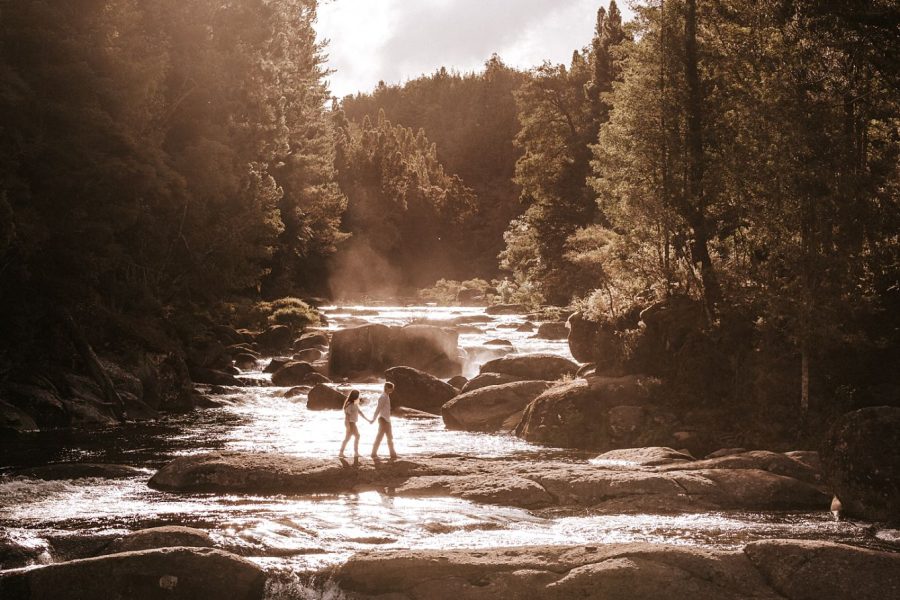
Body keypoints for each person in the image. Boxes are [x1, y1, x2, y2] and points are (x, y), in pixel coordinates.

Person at [339, 389, 370, 458]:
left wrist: (368, 420)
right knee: (356, 436)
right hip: (350, 423)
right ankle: (354, 453)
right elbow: (347, 416)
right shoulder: (349, 404)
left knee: (349, 438)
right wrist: (348, 427)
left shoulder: (355, 403)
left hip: (352, 423)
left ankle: (342, 452)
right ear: (355, 396)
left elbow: (360, 412)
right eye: (358, 395)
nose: (359, 396)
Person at [370, 381, 397, 460]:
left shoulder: (386, 396)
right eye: (391, 388)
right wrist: (373, 419)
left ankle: (393, 454)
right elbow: (378, 409)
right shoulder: (383, 397)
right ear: (386, 388)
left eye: (392, 388)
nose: (392, 389)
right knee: (381, 437)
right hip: (383, 420)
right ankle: (374, 453)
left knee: (388, 437)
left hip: (386, 420)